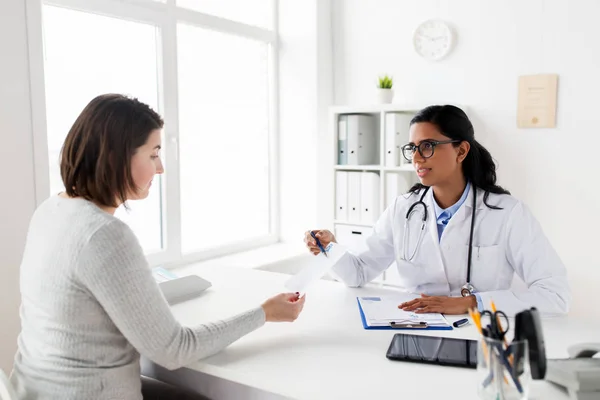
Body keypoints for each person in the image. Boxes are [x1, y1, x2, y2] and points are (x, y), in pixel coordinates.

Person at [10, 94, 305, 400]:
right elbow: (174, 349)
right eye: (153, 154)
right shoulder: (104, 234)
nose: (161, 167)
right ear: (116, 158)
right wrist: (265, 313)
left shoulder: (50, 210)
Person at [305, 105, 570, 316]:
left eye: (428, 146)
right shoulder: (403, 209)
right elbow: (358, 274)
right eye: (412, 148)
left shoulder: (508, 213)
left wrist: (470, 303)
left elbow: (555, 296)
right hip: (416, 326)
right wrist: (331, 248)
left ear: (461, 150)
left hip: (480, 332)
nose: (417, 157)